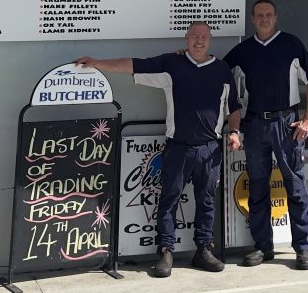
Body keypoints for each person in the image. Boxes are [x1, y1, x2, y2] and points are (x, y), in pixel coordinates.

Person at [75, 21, 241, 279]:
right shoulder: (171, 64)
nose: (199, 40)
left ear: (210, 39)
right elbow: (134, 65)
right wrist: (98, 63)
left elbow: (234, 108)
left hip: (210, 149)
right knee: (168, 200)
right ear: (186, 39)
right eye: (194, 36)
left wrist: (234, 131)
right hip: (178, 148)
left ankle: (203, 249)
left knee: (206, 202)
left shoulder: (222, 70)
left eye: (204, 36)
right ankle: (165, 251)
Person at [224, 0, 308, 271]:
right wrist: (188, 55)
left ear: (276, 17)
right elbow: (216, 74)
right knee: (257, 187)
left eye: (269, 14)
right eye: (259, 15)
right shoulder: (242, 51)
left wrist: (307, 120)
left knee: (295, 186)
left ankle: (302, 247)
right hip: (254, 125)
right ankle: (263, 247)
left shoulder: (292, 44)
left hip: (287, 124)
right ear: (252, 19)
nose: (264, 18)